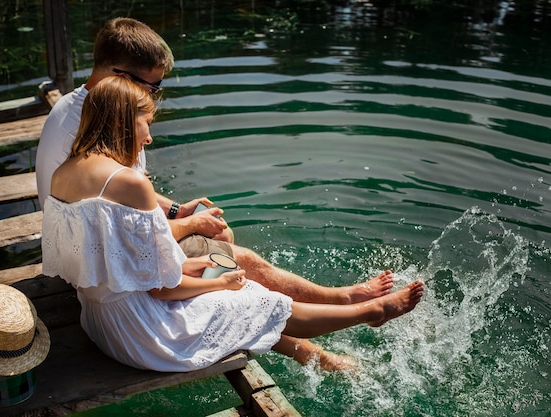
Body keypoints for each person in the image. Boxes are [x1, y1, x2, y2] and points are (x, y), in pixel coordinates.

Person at [35, 17, 405, 370]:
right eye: (147, 117)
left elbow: (105, 242)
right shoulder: (126, 179)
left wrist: (181, 229)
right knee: (247, 289)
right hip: (144, 332)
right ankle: (366, 313)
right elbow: (162, 288)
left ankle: (331, 330)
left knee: (228, 269)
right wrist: (207, 264)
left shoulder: (70, 167)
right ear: (120, 106)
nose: (148, 137)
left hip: (100, 318)